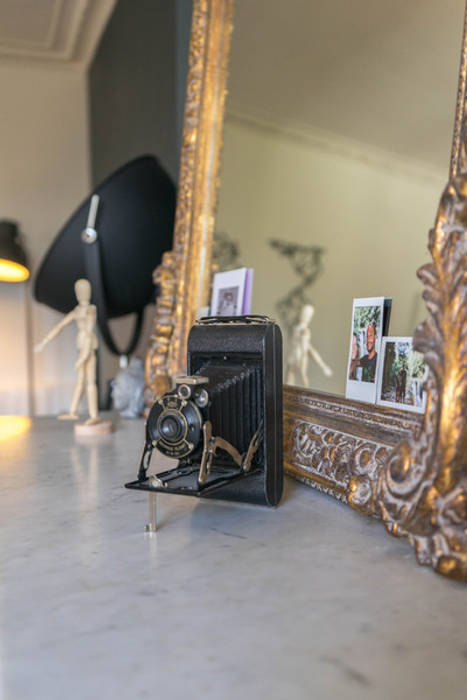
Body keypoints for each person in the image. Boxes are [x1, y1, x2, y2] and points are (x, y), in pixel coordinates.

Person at [34, 278, 100, 424]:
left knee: (90, 382)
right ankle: (73, 411)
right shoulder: (77, 311)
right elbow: (60, 326)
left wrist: (82, 359)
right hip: (82, 345)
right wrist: (43, 343)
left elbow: (89, 334)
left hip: (88, 347)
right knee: (80, 381)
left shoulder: (91, 310)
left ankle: (94, 416)